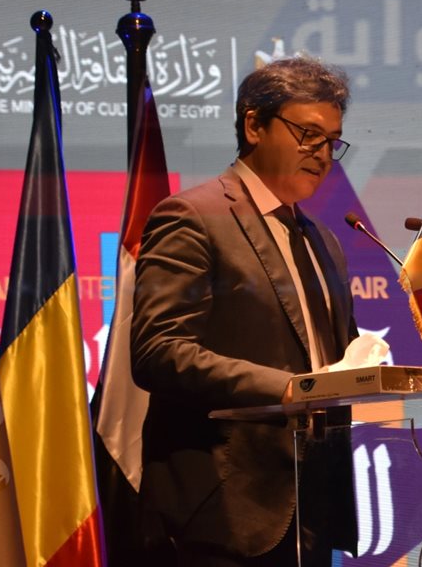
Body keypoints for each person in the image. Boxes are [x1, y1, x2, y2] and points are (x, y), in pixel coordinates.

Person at [131, 55, 358, 566]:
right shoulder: (193, 217)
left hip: (313, 509)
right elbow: (158, 351)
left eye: (332, 141)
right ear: (254, 125)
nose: (323, 155)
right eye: (308, 135)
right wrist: (288, 388)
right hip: (225, 515)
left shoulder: (323, 240)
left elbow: (338, 366)